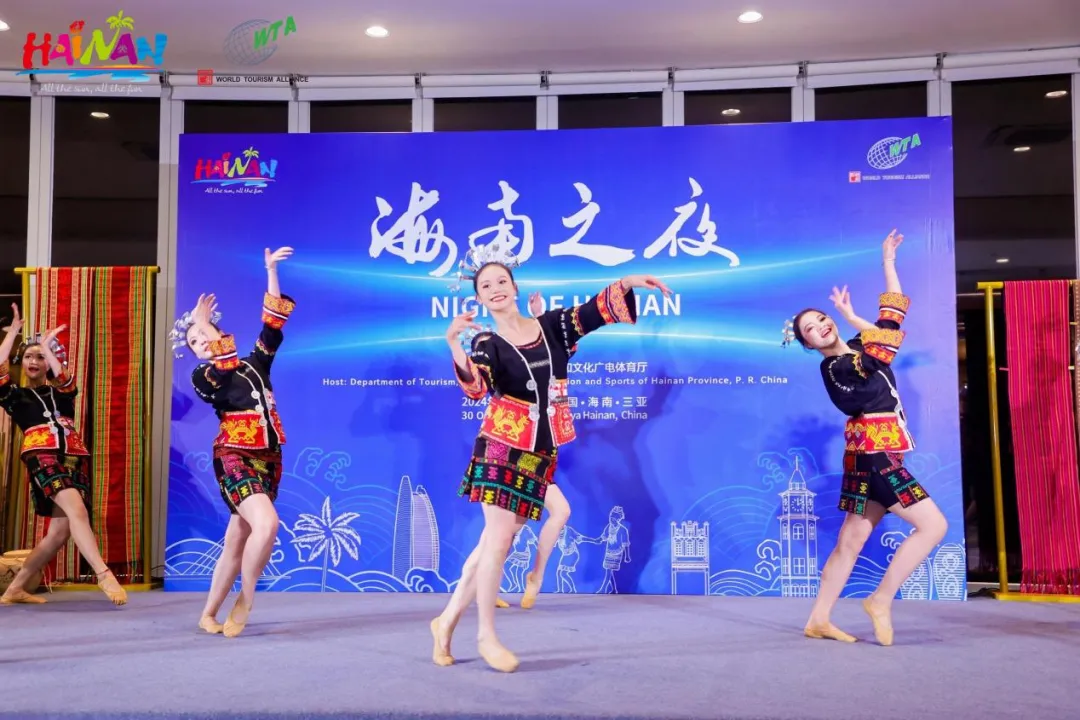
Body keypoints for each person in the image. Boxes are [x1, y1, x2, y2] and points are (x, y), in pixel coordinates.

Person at [430, 241, 671, 672]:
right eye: (486, 286)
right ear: (479, 298)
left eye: (501, 281)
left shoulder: (552, 326)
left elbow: (593, 312)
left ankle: (445, 621)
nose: (495, 289)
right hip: (501, 447)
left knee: (494, 544)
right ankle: (486, 635)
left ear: (514, 287)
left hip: (540, 453)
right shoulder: (486, 342)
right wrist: (454, 345)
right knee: (498, 540)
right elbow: (477, 387)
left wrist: (629, 281)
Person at [786, 229, 948, 646]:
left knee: (850, 541)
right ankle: (881, 599)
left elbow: (892, 316)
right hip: (874, 458)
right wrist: (858, 321)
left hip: (874, 455)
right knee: (933, 526)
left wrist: (888, 263)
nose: (821, 326)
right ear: (807, 343)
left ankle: (818, 619)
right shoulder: (835, 368)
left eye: (823, 318)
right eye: (810, 329)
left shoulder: (857, 347)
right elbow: (881, 350)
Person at [173, 247, 295, 638]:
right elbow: (224, 361)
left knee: (236, 539)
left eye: (203, 334)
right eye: (194, 341)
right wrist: (202, 323)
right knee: (267, 523)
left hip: (269, 458)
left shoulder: (255, 364)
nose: (200, 342)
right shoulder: (204, 377)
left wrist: (270, 271)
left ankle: (208, 613)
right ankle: (247, 595)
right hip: (234, 455)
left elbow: (273, 324)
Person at [0, 305, 127, 606]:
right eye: (28, 356)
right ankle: (103, 574)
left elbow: (66, 379)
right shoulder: (15, 396)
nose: (33, 361)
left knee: (59, 532)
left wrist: (48, 346)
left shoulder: (62, 394)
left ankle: (15, 589)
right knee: (77, 510)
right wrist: (14, 334)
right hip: (42, 456)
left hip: (72, 457)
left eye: (39, 357)